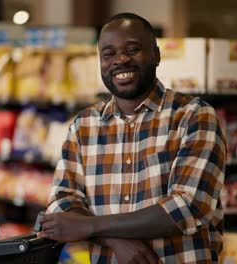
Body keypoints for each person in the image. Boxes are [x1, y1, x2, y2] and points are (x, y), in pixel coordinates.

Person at [38, 12, 226, 264]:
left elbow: (187, 207)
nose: (121, 60)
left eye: (132, 49)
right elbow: (62, 203)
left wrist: (90, 227)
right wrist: (116, 241)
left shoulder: (194, 115)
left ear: (157, 55)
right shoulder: (84, 125)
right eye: (109, 54)